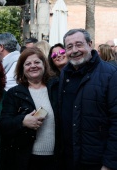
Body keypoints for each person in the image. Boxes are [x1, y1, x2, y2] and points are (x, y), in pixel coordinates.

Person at [59, 28, 117, 170]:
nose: (74, 50)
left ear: (90, 44)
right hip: (68, 159)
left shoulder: (110, 75)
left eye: (79, 44)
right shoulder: (64, 75)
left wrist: (109, 163)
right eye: (69, 47)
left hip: (96, 161)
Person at [0, 47, 61, 170]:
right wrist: (22, 121)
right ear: (22, 68)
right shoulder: (14, 93)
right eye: (28, 64)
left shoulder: (56, 88)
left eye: (37, 62)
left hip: (56, 158)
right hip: (27, 159)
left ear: (44, 64)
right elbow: (3, 125)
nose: (33, 66)